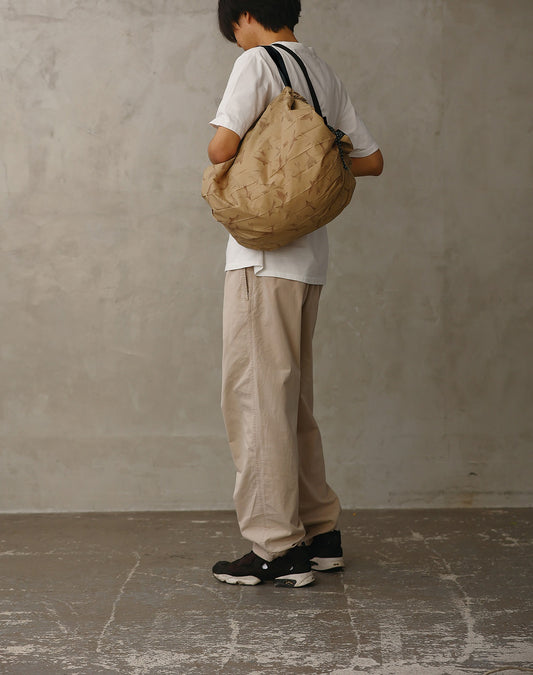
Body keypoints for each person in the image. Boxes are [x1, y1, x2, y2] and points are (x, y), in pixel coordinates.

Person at [207, 0, 383, 588]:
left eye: (233, 29)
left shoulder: (257, 63)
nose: (236, 40)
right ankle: (319, 533)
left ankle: (275, 547)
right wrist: (308, 166)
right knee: (293, 400)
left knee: (257, 401)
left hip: (263, 260)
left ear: (244, 15)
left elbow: (220, 149)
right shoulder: (322, 71)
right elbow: (371, 160)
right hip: (308, 259)